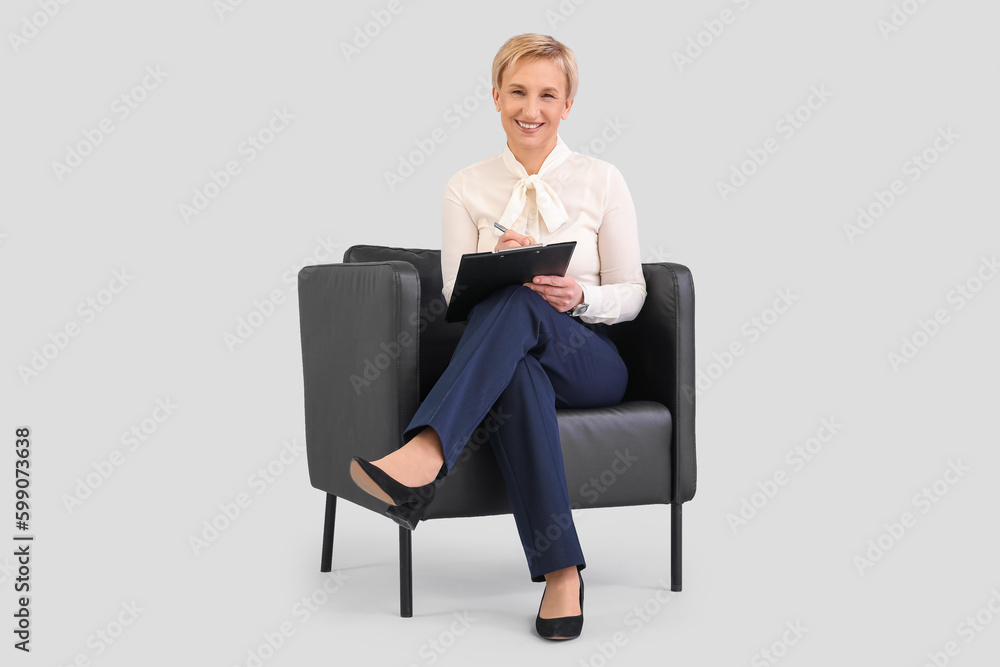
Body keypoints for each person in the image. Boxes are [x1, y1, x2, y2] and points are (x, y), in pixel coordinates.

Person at [350, 33, 646, 641]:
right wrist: (494, 253)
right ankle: (562, 572)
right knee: (515, 362)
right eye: (516, 92)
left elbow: (634, 292)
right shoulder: (466, 186)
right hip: (510, 356)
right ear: (494, 97)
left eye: (546, 95)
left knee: (525, 304)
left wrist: (580, 297)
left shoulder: (602, 180)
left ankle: (427, 448)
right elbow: (458, 296)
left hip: (588, 357)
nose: (529, 109)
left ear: (567, 105)